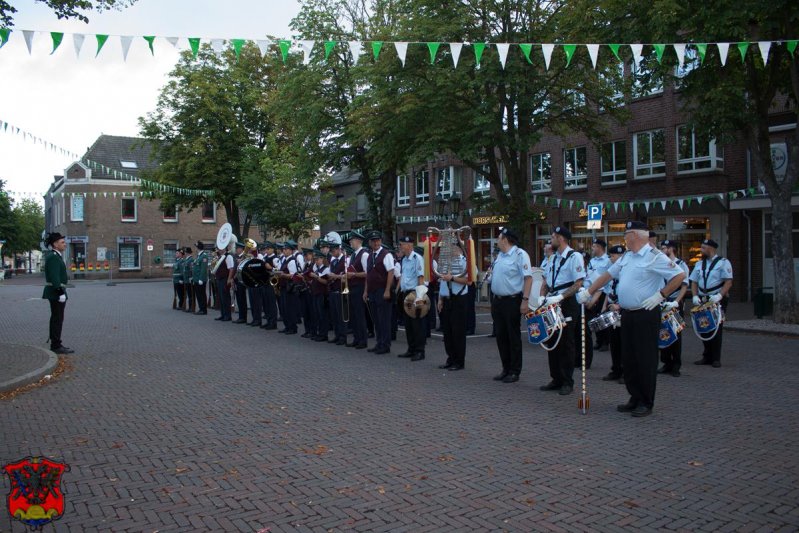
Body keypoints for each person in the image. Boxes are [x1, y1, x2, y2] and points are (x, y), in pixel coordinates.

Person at [579, 221, 686, 418]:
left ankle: (646, 401)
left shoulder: (654, 256)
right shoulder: (627, 256)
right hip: (627, 313)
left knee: (645, 358)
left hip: (645, 313)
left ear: (635, 235)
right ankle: (634, 397)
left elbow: (679, 275)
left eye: (626, 233)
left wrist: (661, 295)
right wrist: (588, 291)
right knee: (629, 358)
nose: (624, 237)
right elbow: (607, 275)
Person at [538, 226, 584, 395]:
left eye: (553, 237)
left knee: (565, 342)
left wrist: (561, 297)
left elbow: (578, 283)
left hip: (567, 302)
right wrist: (541, 296)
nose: (551, 239)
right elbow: (546, 281)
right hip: (551, 302)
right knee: (552, 340)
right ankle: (556, 378)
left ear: (561, 238)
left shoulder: (574, 257)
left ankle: (567, 381)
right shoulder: (553, 258)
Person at [490, 227, 533, 384]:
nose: (497, 240)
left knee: (512, 336)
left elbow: (528, 278)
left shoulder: (520, 255)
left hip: (512, 300)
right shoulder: (500, 256)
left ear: (505, 239)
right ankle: (505, 368)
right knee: (501, 336)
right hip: (498, 300)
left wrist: (525, 300)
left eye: (499, 237)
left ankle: (515, 371)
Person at [690, 239, 733, 368]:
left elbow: (728, 281)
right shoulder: (699, 264)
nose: (701, 250)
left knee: (716, 327)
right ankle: (706, 356)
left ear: (711, 248)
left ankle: (716, 358)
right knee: (703, 326)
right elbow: (694, 281)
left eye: (704, 248)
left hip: (717, 298)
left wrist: (720, 295)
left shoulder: (723, 263)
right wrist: (694, 295)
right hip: (702, 298)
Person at [658, 239, 689, 376]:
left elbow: (684, 286)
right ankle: (666, 362)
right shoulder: (660, 264)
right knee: (662, 331)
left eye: (664, 248)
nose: (662, 250)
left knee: (675, 333)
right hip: (662, 301)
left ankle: (676, 364)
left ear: (671, 249)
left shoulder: (681, 264)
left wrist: (676, 302)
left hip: (674, 302)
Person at [437, 241, 470, 370]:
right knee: (447, 332)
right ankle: (450, 358)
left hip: (459, 298)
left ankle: (459, 361)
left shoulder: (464, 262)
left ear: (457, 248)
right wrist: (440, 299)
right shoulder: (446, 262)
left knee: (458, 332)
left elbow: (469, 281)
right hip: (447, 299)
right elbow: (442, 282)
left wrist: (452, 278)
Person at [364, 230, 395, 354]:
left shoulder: (386, 254)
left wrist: (387, 290)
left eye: (378, 240)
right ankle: (379, 342)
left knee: (384, 319)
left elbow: (391, 272)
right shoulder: (370, 255)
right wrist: (366, 291)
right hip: (372, 291)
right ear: (370, 243)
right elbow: (368, 275)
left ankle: (385, 345)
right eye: (373, 241)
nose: (376, 243)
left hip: (382, 290)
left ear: (381, 241)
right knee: (376, 319)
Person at [42, 232, 74, 354]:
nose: (65, 244)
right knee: (57, 319)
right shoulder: (54, 257)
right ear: (55, 244)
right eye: (62, 242)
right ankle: (56, 345)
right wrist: (60, 292)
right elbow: (54, 276)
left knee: (57, 318)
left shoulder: (56, 256)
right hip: (55, 292)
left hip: (56, 291)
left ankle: (56, 343)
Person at [396, 236, 427, 361]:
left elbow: (420, 278)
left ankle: (420, 351)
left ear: (409, 245)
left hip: (414, 293)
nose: (400, 247)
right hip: (406, 293)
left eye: (402, 244)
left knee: (417, 324)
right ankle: (411, 348)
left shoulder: (417, 258)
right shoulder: (404, 259)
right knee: (408, 324)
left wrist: (419, 297)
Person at [600, 245, 626, 383]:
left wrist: (619, 306)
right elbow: (608, 291)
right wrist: (604, 307)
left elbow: (629, 292)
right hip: (611, 309)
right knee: (614, 343)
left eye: (613, 256)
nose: (611, 258)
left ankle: (626, 372)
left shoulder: (627, 272)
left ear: (621, 257)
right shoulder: (612, 271)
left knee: (624, 343)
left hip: (623, 310)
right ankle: (616, 369)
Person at [583, 238, 611, 359]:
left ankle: (605, 342)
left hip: (604, 292)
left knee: (602, 315)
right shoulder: (592, 261)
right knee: (594, 317)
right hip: (593, 291)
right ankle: (599, 340)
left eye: (594, 246)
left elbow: (609, 276)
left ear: (600, 247)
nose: (592, 248)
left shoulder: (608, 260)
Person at [345, 231, 369, 350]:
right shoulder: (354, 255)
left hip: (359, 287)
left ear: (359, 241)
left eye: (352, 240)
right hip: (353, 286)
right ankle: (356, 338)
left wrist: (354, 274)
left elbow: (367, 273)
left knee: (360, 315)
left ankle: (363, 340)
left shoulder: (364, 254)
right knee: (354, 315)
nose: (350, 242)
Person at [325, 242, 348, 345]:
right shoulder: (333, 261)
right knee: (334, 315)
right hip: (333, 289)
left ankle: (343, 336)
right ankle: (337, 335)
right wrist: (330, 276)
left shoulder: (345, 260)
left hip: (341, 290)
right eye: (331, 252)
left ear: (339, 250)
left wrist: (336, 276)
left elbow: (346, 275)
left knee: (341, 315)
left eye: (334, 251)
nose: (333, 253)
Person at [278, 240, 301, 334]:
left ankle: (292, 327)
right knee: (284, 308)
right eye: (284, 249)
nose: (284, 251)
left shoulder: (291, 261)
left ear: (291, 250)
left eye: (286, 249)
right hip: (284, 287)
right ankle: (287, 326)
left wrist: (282, 274)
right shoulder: (285, 259)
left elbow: (293, 275)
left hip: (290, 288)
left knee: (290, 308)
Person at [309, 249, 330, 341]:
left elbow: (326, 282)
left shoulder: (326, 269)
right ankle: (319, 333)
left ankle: (323, 334)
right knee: (317, 314)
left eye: (318, 259)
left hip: (322, 294)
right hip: (315, 293)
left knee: (322, 315)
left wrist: (316, 277)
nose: (316, 261)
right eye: (315, 260)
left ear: (322, 259)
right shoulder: (317, 268)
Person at [214, 243, 235, 322]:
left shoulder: (228, 256)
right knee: (221, 298)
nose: (219, 250)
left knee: (225, 298)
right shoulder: (220, 257)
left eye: (220, 248)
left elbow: (231, 269)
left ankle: (227, 315)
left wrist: (229, 279)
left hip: (225, 279)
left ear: (225, 248)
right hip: (219, 279)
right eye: (218, 248)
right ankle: (223, 314)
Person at [232, 242, 248, 324]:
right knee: (238, 298)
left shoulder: (245, 257)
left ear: (241, 249)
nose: (236, 250)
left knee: (242, 299)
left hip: (241, 280)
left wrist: (241, 262)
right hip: (236, 280)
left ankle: (243, 317)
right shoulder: (235, 256)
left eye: (237, 248)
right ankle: (241, 316)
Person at [192, 241, 209, 315]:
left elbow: (203, 269)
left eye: (196, 247)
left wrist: (201, 279)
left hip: (200, 279)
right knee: (198, 295)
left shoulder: (204, 256)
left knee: (202, 295)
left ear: (198, 248)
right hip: (196, 279)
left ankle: (203, 309)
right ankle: (201, 308)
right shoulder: (198, 256)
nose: (195, 249)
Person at [183, 246, 195, 312]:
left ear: (187, 252)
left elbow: (192, 269)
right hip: (186, 279)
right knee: (188, 293)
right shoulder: (187, 259)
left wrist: (191, 277)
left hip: (189, 279)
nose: (184, 253)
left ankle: (191, 307)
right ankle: (189, 307)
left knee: (190, 294)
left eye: (185, 252)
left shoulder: (191, 260)